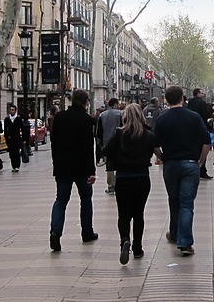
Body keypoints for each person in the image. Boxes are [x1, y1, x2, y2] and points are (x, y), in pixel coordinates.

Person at [153, 85, 211, 256]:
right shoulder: (194, 117)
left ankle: (174, 233)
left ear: (167, 100)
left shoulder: (162, 118)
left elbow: (154, 144)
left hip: (170, 164)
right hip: (190, 164)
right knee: (187, 204)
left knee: (173, 200)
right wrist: (201, 160)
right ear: (182, 98)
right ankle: (185, 242)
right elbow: (206, 141)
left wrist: (162, 157)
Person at [103, 103, 155, 264]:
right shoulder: (148, 134)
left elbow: (105, 151)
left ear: (124, 116)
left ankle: (125, 240)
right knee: (139, 214)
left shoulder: (119, 134)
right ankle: (137, 248)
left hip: (123, 178)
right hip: (142, 178)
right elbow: (150, 153)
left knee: (123, 215)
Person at [49, 89, 98, 252]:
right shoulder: (86, 120)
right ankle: (87, 232)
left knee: (61, 200)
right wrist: (92, 171)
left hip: (63, 167)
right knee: (85, 199)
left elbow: (54, 144)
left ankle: (55, 232)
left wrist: (56, 164)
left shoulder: (59, 118)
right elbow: (88, 147)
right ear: (86, 102)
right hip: (82, 168)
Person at [187, 88, 214, 179]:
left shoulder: (189, 103)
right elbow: (207, 114)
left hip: (190, 129)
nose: (203, 94)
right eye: (202, 93)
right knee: (202, 148)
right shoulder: (201, 103)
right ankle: (202, 169)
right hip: (201, 128)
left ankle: (193, 170)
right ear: (198, 94)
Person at [97, 98, 122, 194]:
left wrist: (101, 145)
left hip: (106, 144)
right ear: (115, 104)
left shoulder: (102, 115)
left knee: (109, 165)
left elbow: (99, 132)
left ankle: (111, 186)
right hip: (119, 143)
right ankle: (119, 183)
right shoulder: (120, 114)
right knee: (120, 164)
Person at [3, 105, 25, 172]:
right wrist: (6, 138)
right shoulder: (7, 119)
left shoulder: (18, 119)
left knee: (16, 152)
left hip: (17, 139)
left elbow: (22, 129)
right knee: (11, 153)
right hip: (10, 139)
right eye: (10, 110)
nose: (11, 111)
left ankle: (17, 166)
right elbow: (5, 129)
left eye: (13, 110)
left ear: (15, 111)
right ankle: (13, 166)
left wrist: (24, 139)